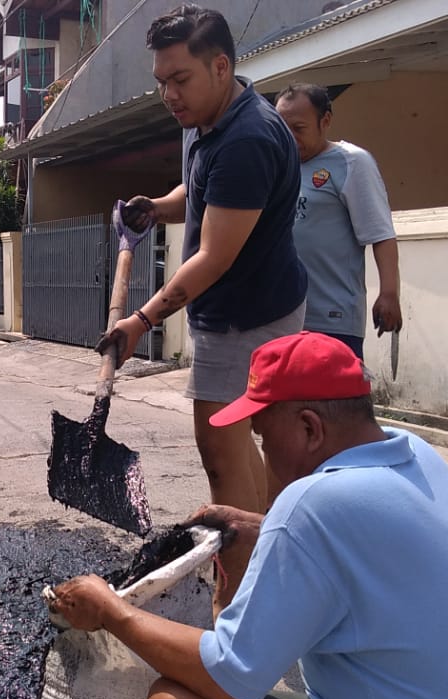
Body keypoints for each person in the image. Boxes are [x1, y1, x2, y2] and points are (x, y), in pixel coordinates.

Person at [49, 332, 448, 699]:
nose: (264, 455)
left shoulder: (310, 504)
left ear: (309, 428)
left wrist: (111, 611)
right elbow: (363, 548)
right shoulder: (416, 455)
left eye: (262, 437)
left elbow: (230, 680)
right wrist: (260, 527)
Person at [99, 4, 306, 610]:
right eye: (161, 80)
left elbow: (213, 256)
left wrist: (142, 319)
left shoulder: (247, 138)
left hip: (249, 317)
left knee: (222, 455)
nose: (169, 94)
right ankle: (277, 564)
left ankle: (239, 605)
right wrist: (160, 207)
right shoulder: (210, 117)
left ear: (221, 66)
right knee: (245, 449)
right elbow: (203, 188)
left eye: (179, 79)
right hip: (259, 306)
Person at [275, 84, 402, 359]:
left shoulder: (352, 163)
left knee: (334, 401)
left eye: (298, 128)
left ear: (325, 121)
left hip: (332, 320)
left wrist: (389, 293)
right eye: (282, 129)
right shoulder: (276, 166)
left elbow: (380, 234)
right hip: (280, 319)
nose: (289, 138)